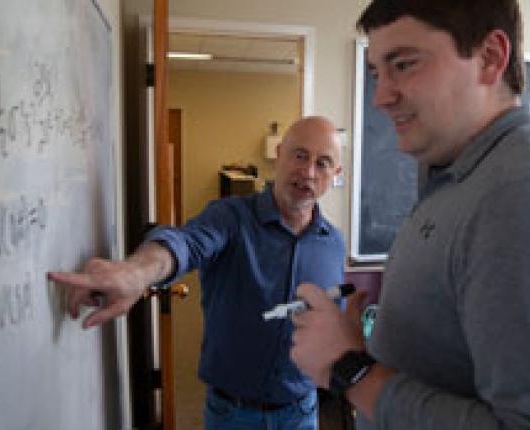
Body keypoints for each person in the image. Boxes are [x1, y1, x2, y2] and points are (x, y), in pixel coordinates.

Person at [290, 1, 530, 429]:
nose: (381, 96)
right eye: (377, 72)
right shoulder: (461, 177)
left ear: (490, 58)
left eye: (404, 64)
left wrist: (351, 370)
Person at [49, 116, 346, 430]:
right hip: (234, 416)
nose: (308, 172)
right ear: (280, 153)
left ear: (335, 174)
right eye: (300, 155)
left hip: (301, 414)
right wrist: (136, 272)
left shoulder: (333, 245)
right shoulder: (230, 218)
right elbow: (185, 244)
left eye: (323, 163)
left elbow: (330, 324)